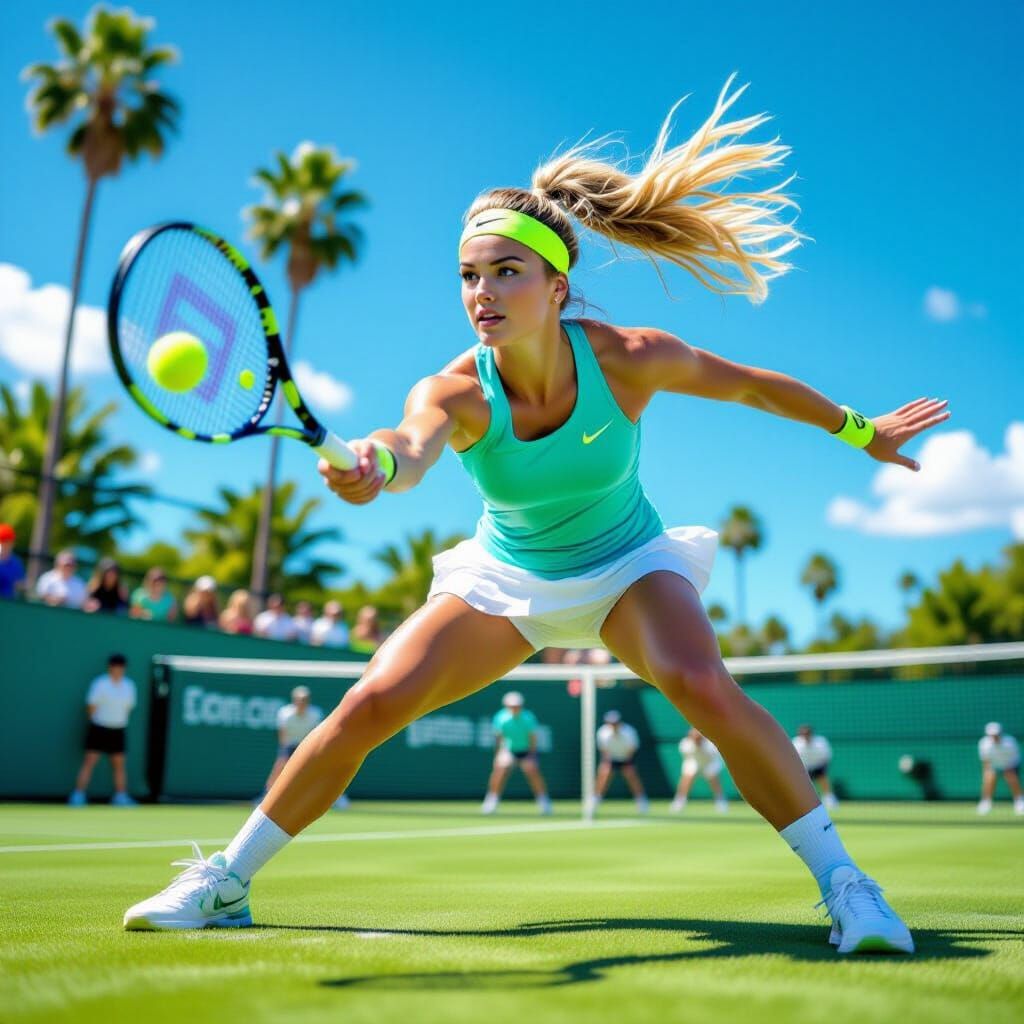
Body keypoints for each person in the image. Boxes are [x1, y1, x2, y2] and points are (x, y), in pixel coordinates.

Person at [124, 79, 948, 952]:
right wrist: (379, 466)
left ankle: (847, 886)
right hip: (507, 577)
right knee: (370, 701)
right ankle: (226, 881)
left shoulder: (629, 359)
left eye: (506, 272)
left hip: (628, 566)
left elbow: (750, 386)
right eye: (469, 276)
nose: (482, 292)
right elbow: (410, 446)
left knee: (701, 683)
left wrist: (862, 431)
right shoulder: (455, 388)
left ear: (557, 288)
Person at [69, 653, 138, 807]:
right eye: (115, 666)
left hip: (118, 729)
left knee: (119, 764)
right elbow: (91, 707)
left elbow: (128, 709)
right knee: (89, 761)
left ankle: (120, 797)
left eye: (121, 667)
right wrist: (96, 723)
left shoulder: (129, 686)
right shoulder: (100, 683)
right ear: (110, 667)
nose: (118, 669)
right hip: (99, 728)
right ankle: (78, 795)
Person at [481, 691, 552, 816]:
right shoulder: (501, 718)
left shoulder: (528, 718)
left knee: (532, 772)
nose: (514, 708)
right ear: (506, 706)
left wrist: (532, 755)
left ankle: (544, 802)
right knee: (500, 771)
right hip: (508, 749)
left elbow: (532, 738)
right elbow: (499, 738)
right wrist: (498, 754)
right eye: (511, 706)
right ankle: (491, 801)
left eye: (517, 706)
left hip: (526, 750)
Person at [592, 710, 648, 814]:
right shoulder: (602, 732)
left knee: (632, 776)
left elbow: (632, 749)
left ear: (619, 722)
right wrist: (608, 761)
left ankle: (641, 801)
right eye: (610, 723)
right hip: (610, 758)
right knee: (603, 775)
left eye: (615, 723)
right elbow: (603, 750)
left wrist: (626, 761)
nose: (613, 725)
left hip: (626, 758)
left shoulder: (629, 732)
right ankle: (594, 801)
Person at [672, 726, 729, 814]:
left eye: (698, 737)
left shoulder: (710, 744)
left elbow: (713, 757)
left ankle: (720, 801)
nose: (696, 739)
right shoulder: (686, 744)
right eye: (694, 737)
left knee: (713, 779)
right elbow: (686, 756)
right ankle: (679, 801)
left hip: (709, 763)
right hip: (693, 762)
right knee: (687, 778)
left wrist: (701, 748)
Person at [976, 722, 1024, 816]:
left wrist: (1008, 769)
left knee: (1011, 778)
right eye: (992, 735)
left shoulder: (1010, 742)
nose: (994, 737)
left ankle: (1019, 801)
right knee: (988, 778)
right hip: (994, 765)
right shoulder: (984, 744)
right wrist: (986, 772)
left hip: (1010, 764)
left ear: (1000, 733)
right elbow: (985, 762)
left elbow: (1015, 759)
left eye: (996, 734)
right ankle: (986, 802)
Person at [793, 724, 838, 810]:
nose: (806, 735)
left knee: (823, 779)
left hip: (819, 766)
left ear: (811, 733)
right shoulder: (796, 742)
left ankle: (828, 799)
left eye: (807, 733)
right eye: (803, 734)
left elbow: (827, 756)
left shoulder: (820, 742)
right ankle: (803, 801)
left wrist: (821, 767)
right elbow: (793, 757)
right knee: (802, 785)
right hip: (804, 768)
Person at [0, 523, 26, 599]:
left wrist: (22, 586)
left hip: (9, 602)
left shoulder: (16, 562)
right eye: (3, 541)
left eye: (8, 542)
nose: (6, 545)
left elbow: (20, 584)